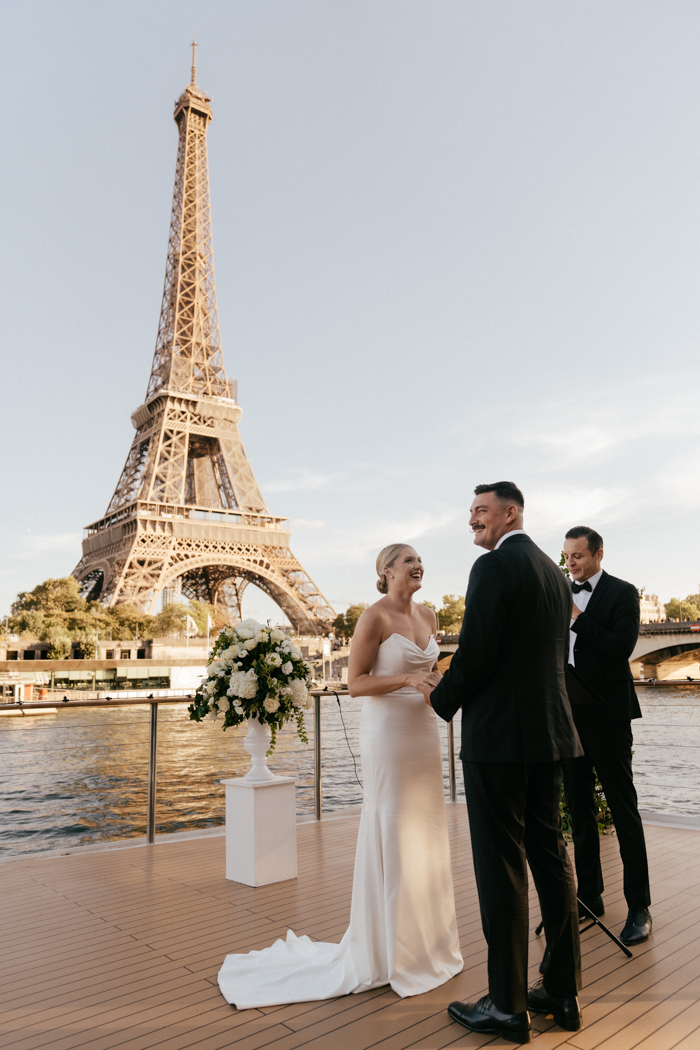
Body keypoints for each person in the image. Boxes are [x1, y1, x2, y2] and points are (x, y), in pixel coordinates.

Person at [217, 543, 463, 1008]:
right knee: (393, 830)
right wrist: (408, 681)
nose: (417, 564)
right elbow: (355, 684)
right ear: (386, 570)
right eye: (407, 559)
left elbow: (430, 676)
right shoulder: (374, 617)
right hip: (387, 734)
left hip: (422, 731)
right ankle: (391, 951)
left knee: (425, 835)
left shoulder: (429, 616)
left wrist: (436, 684)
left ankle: (429, 945)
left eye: (419, 559)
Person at [425, 482, 583, 1044]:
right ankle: (562, 991)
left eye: (481, 510)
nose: (472, 519)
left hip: (500, 741)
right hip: (550, 735)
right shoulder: (550, 570)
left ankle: (508, 1006)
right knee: (550, 857)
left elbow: (478, 652)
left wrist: (438, 698)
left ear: (509, 512)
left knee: (501, 869)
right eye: (470, 510)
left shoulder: (493, 568)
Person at [562, 526, 651, 946]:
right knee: (579, 812)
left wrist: (578, 619)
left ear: (598, 554)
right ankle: (589, 898)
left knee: (623, 809)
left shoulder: (622, 592)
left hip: (610, 718)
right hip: (568, 716)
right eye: (567, 557)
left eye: (578, 556)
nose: (571, 564)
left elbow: (620, 648)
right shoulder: (561, 592)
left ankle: (639, 907)